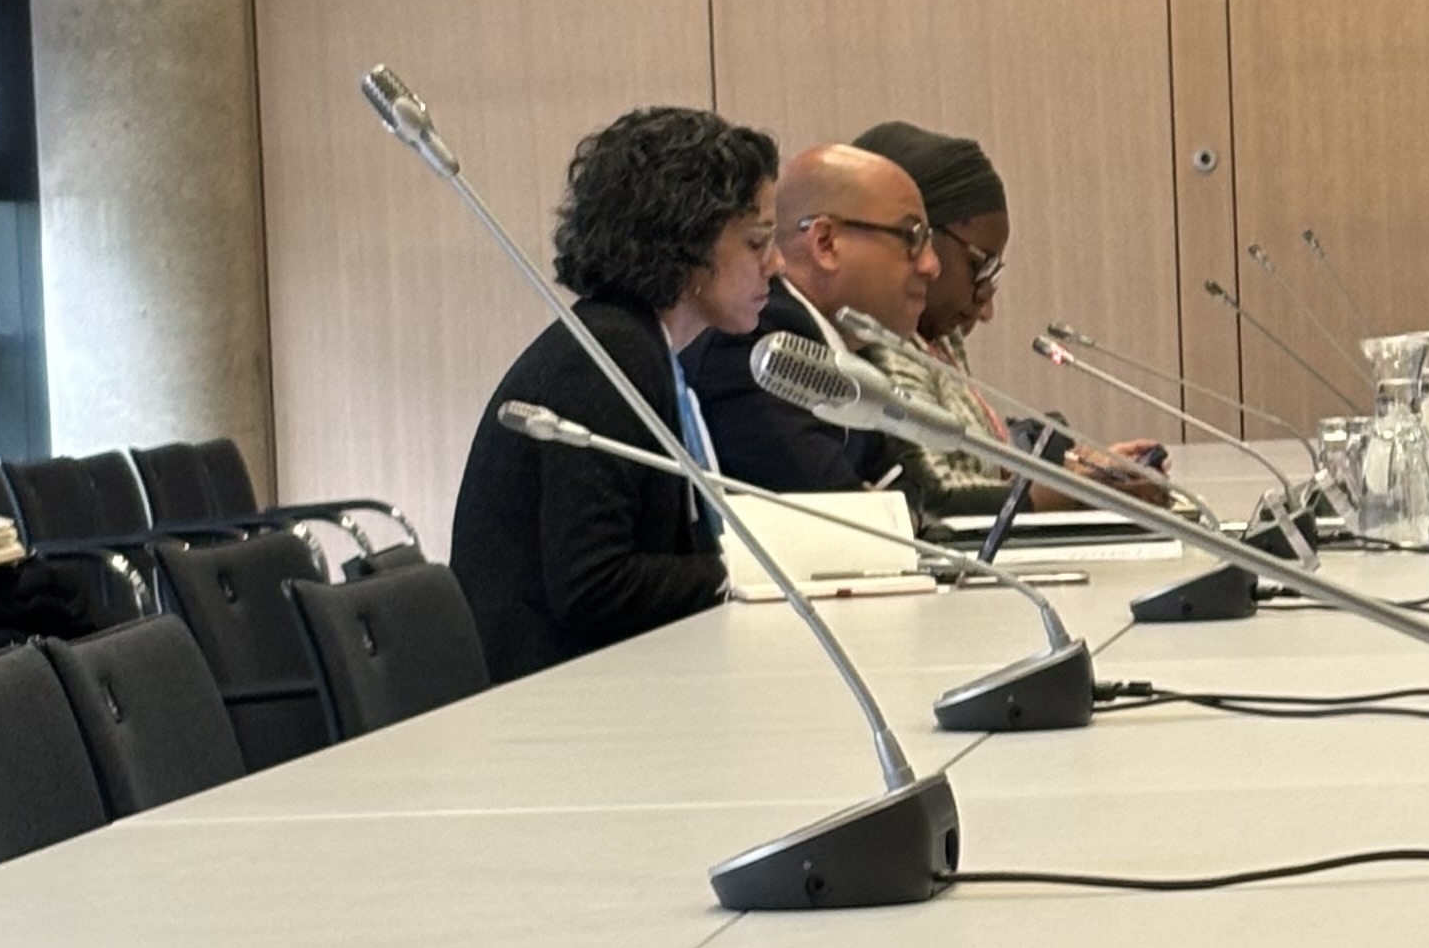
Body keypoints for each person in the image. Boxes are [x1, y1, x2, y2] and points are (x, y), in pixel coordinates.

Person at [451, 106, 780, 682]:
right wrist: (754, 571)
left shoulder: (637, 346)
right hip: (547, 709)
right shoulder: (605, 358)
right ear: (686, 244)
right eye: (757, 242)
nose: (775, 265)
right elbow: (592, 585)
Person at [851, 120, 1168, 528]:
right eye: (979, 265)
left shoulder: (936, 335)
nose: (986, 306)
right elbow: (934, 497)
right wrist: (1082, 492)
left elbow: (976, 461)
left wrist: (1074, 467)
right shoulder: (880, 339)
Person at [681, 143, 940, 502]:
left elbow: (909, 493)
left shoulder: (841, 343)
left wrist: (891, 508)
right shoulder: (754, 346)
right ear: (825, 242)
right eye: (912, 237)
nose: (931, 265)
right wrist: (886, 508)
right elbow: (847, 518)